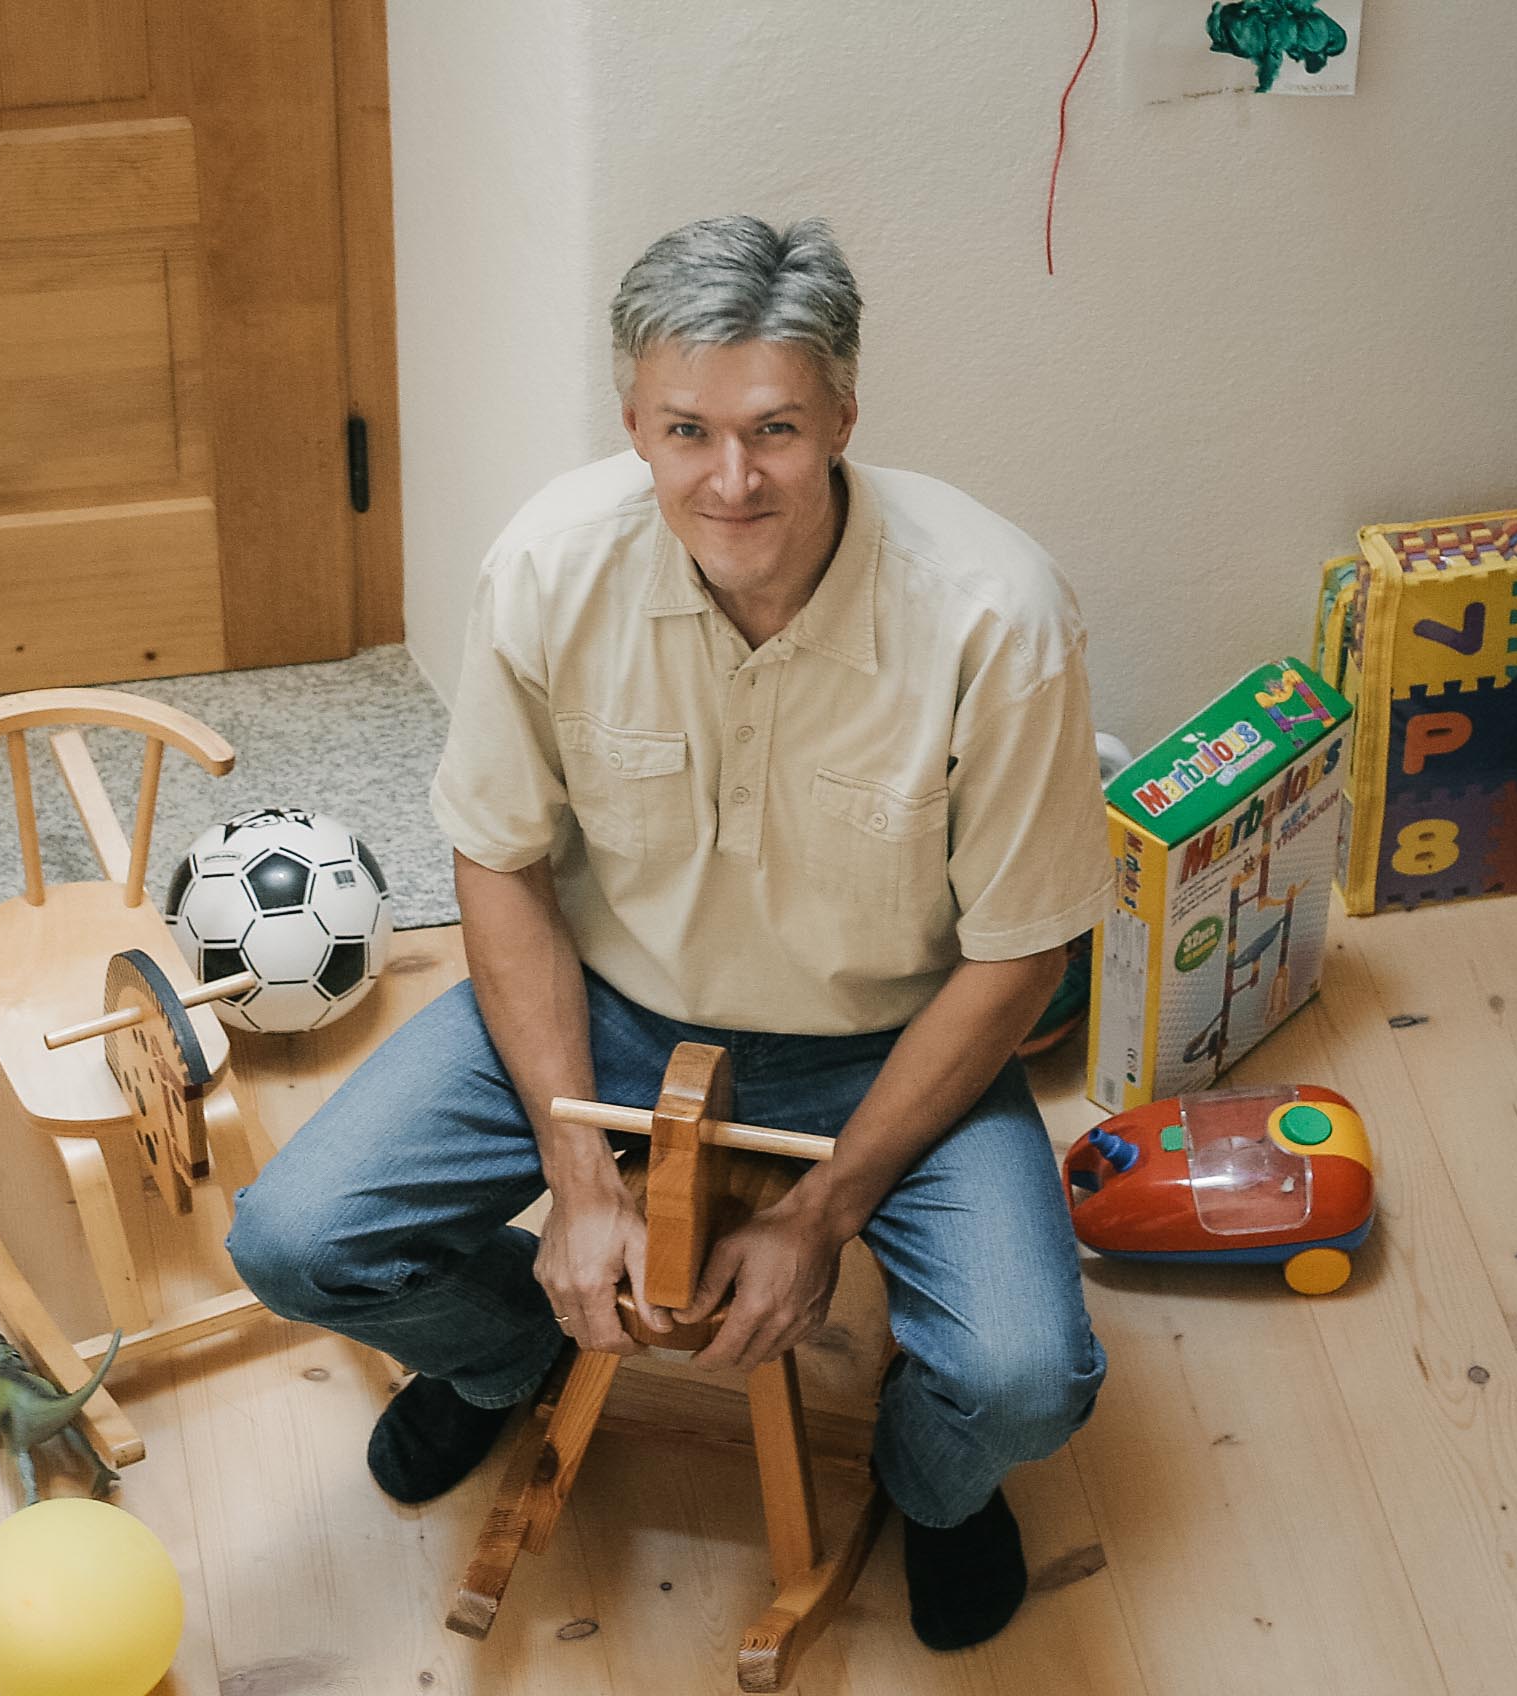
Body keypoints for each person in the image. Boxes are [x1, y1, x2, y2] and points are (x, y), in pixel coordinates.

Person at [228, 214, 1111, 1653]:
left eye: (775, 429)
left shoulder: (997, 615)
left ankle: (931, 1484)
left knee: (1023, 1385)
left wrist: (825, 1214)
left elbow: (1021, 954)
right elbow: (500, 860)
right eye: (687, 430)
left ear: (844, 414)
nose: (732, 479)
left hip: (884, 1041)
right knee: (294, 1242)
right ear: (633, 421)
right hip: (609, 1012)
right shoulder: (547, 565)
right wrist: (578, 1176)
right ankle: (503, 1357)